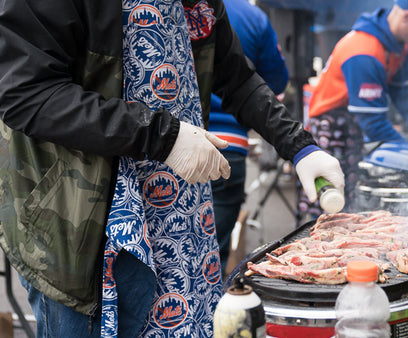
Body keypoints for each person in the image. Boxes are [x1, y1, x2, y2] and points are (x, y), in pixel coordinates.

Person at [0, 1, 343, 337]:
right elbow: (27, 92)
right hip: (80, 226)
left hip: (183, 221)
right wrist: (163, 136)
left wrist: (299, 146)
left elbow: (237, 77)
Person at [299, 0, 408, 219]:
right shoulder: (364, 52)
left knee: (351, 197)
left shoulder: (399, 47)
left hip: (356, 120)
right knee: (332, 200)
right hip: (333, 125)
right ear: (406, 16)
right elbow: (374, 124)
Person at [210, 0, 289, 275]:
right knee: (212, 256)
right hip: (228, 145)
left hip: (166, 142)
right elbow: (275, 83)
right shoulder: (254, 17)